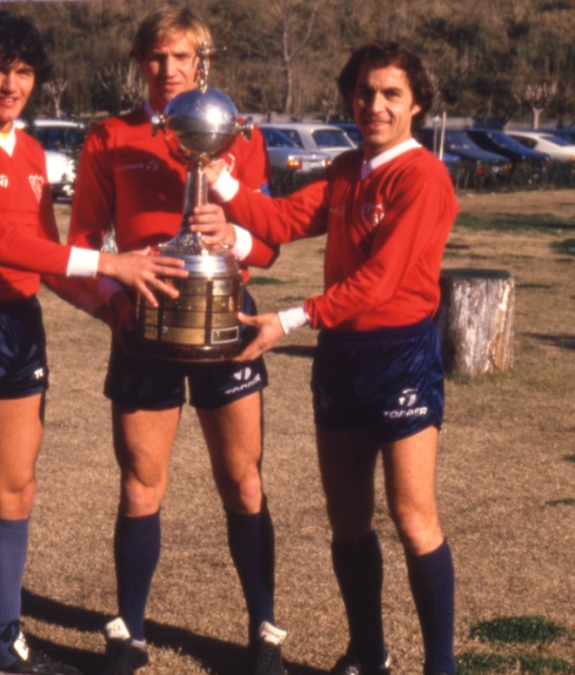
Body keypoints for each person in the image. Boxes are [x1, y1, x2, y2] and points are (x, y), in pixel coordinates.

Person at [0, 11, 186, 675]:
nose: (12, 83)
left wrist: (111, 307)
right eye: (0, 68)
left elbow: (41, 261)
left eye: (25, 71)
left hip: (18, 327)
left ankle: (3, 645)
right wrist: (114, 264)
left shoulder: (32, 153)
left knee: (18, 490)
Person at [197, 41, 459, 675]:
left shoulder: (423, 175)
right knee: (346, 518)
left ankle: (441, 666)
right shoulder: (348, 169)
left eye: (391, 94)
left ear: (416, 104)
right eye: (365, 92)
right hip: (341, 356)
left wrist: (287, 319)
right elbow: (283, 219)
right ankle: (369, 653)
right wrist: (220, 177)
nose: (375, 105)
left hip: (399, 353)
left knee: (410, 513)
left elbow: (384, 279)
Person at [67, 7, 287, 675]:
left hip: (226, 317)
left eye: (181, 57)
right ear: (141, 63)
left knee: (243, 478)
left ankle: (264, 628)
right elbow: (79, 245)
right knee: (141, 482)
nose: (168, 70)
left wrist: (234, 237)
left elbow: (270, 243)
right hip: (145, 322)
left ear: (203, 62)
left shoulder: (236, 134)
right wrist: (111, 309)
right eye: (156, 58)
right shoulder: (109, 137)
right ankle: (127, 630)